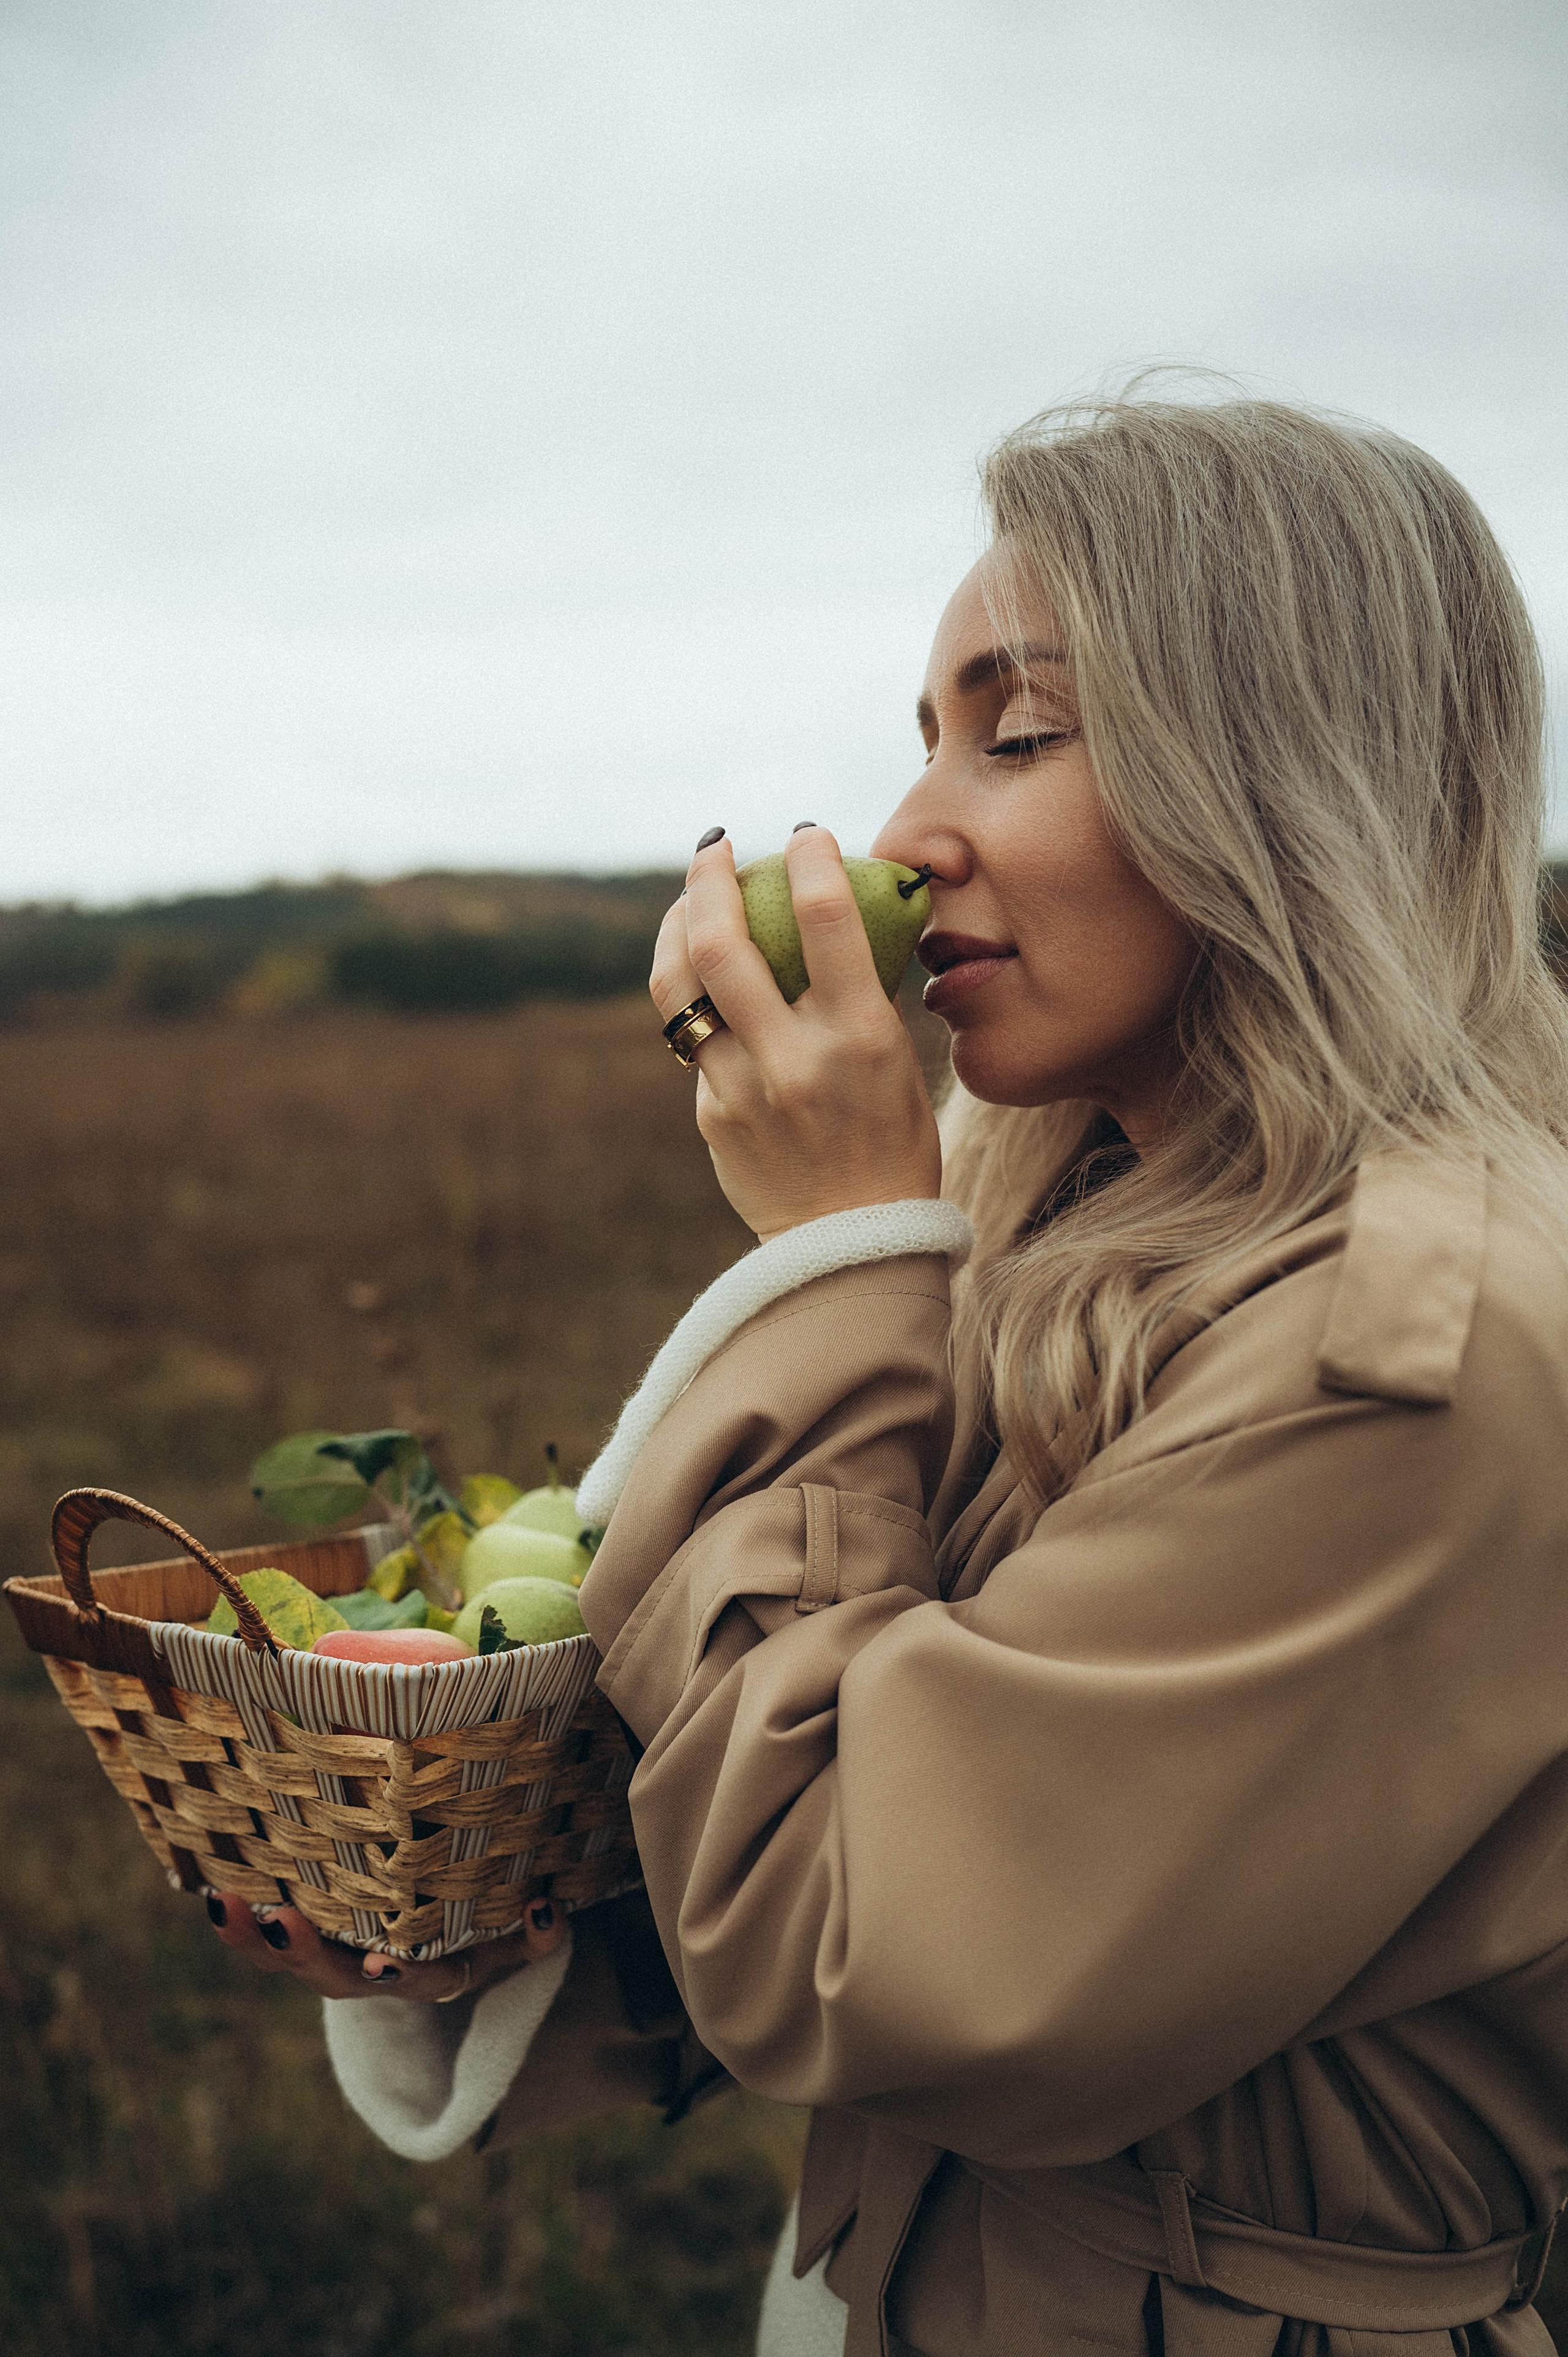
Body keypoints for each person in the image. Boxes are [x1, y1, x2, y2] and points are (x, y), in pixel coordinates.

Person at [210, 394, 1568, 2356]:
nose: (912, 835)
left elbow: (862, 1940)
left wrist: (837, 1260)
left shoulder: (1404, 1363)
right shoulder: (1097, 1227)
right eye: (928, 738)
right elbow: (939, 1775)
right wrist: (491, 1907)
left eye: (1020, 734)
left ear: (1288, 780)